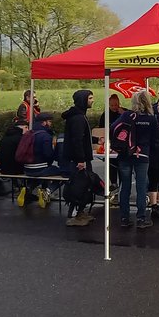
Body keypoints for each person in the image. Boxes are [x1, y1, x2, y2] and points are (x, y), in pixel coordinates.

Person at [112, 92, 159, 229]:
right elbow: (156, 141)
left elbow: (113, 128)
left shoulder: (126, 115)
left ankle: (124, 218)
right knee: (141, 186)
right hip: (142, 155)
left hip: (125, 154)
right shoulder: (151, 119)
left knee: (125, 186)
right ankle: (141, 218)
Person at [61, 90, 95, 227]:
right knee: (79, 186)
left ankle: (80, 211)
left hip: (80, 158)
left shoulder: (78, 115)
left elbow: (82, 137)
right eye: (90, 98)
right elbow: (77, 140)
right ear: (83, 100)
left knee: (84, 186)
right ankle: (75, 214)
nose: (92, 100)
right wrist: (81, 160)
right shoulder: (78, 118)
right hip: (79, 160)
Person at [21, 113, 65, 209]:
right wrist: (55, 154)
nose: (51, 123)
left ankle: (28, 188)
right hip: (39, 168)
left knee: (42, 174)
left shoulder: (29, 133)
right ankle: (47, 192)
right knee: (64, 173)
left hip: (27, 169)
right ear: (44, 123)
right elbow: (48, 155)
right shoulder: (45, 136)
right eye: (49, 121)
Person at [98, 93, 125, 190]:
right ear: (109, 105)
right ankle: (113, 183)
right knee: (111, 164)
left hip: (122, 143)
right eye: (112, 105)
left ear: (119, 104)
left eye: (116, 105)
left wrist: (123, 113)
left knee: (122, 165)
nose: (114, 107)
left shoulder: (124, 112)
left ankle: (122, 184)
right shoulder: (105, 114)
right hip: (110, 142)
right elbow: (101, 128)